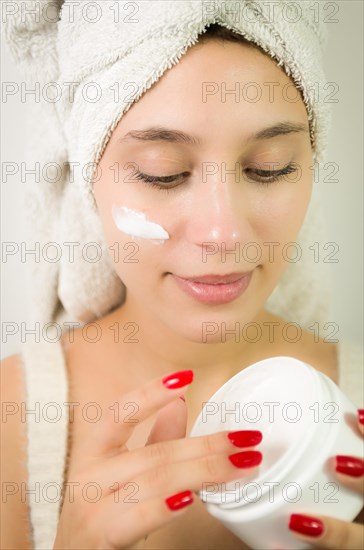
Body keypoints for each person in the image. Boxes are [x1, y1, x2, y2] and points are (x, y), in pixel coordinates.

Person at [1, 3, 363, 549]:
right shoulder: (15, 418)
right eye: (161, 173)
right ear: (88, 178)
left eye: (270, 166)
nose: (223, 233)